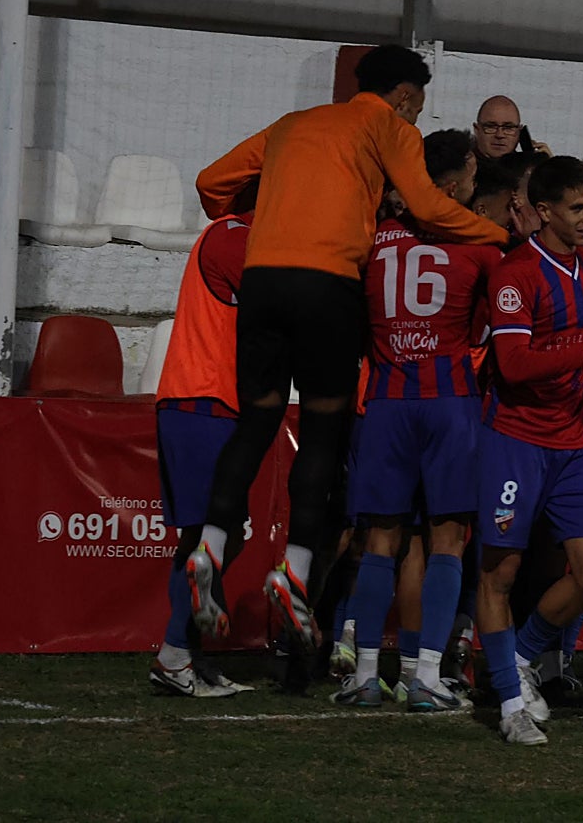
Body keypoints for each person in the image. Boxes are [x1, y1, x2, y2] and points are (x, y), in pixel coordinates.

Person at [186, 45, 509, 648]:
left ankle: (210, 544)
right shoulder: (387, 125)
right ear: (407, 97)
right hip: (327, 284)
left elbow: (210, 183)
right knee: (323, 429)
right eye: (418, 106)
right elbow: (428, 205)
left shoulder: (293, 124)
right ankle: (297, 570)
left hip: (262, 282)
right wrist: (504, 238)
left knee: (255, 423)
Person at [332, 129, 503, 711]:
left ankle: (364, 675)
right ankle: (426, 675)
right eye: (473, 180)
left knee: (380, 541)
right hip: (450, 402)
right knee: (448, 542)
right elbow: (485, 330)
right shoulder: (481, 245)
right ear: (452, 185)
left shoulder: (374, 240)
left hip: (384, 402)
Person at [477, 156, 583, 745]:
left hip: (574, 441)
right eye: (576, 208)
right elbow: (515, 365)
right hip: (516, 441)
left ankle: (520, 659)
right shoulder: (514, 274)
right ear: (543, 212)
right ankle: (507, 703)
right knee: (500, 574)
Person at [149, 193, 259, 698]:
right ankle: (176, 652)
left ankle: (181, 655)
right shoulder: (234, 236)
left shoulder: (236, 235)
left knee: (206, 537)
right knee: (219, 534)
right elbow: (272, 301)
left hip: (206, 401)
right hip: (204, 399)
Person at [473, 95, 551, 161]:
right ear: (476, 130)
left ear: (519, 132)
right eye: (491, 127)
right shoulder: (463, 168)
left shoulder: (530, 171)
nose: (499, 135)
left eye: (508, 127)